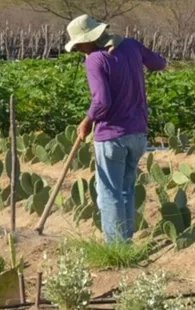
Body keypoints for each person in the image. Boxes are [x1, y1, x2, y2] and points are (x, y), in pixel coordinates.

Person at [65, 14, 167, 243]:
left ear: (90, 39)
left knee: (109, 193)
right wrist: (132, 56)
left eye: (80, 44)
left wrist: (87, 121)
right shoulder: (130, 45)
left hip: (111, 136)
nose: (80, 49)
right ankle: (126, 242)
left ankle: (115, 246)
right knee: (126, 190)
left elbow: (102, 102)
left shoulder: (94, 59)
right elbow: (159, 63)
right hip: (138, 134)